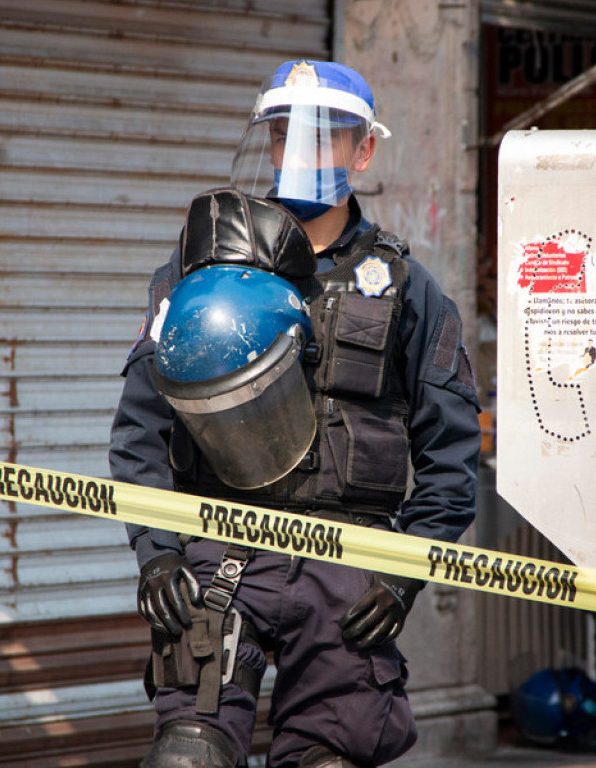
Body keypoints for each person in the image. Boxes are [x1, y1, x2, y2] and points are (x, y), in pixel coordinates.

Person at [109, 60, 482, 768]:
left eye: (325, 138)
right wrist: (157, 551)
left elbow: (451, 456)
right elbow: (140, 432)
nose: (302, 154)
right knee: (189, 757)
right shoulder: (199, 275)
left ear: (363, 151)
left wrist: (402, 573)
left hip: (348, 570)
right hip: (221, 555)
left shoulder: (405, 288)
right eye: (285, 136)